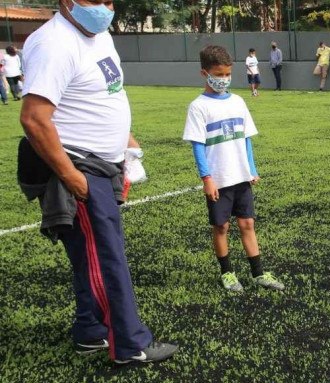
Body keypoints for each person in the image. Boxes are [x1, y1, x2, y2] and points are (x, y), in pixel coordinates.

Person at [18, 0, 177, 364]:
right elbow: (34, 119)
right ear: (67, 2)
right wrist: (72, 177)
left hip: (104, 164)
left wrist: (126, 140)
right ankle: (128, 345)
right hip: (78, 166)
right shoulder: (54, 43)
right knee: (106, 257)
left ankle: (91, 331)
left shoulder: (100, 34)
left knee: (90, 255)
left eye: (109, 0)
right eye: (95, 0)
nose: (105, 7)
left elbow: (106, 93)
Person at [182, 45, 285, 293]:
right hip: (218, 179)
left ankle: (258, 273)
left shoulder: (238, 101)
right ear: (204, 73)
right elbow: (198, 145)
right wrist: (207, 178)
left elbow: (246, 138)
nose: (224, 79)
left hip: (241, 176)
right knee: (221, 227)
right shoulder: (198, 107)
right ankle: (227, 273)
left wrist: (251, 168)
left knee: (247, 224)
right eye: (218, 75)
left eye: (227, 74)